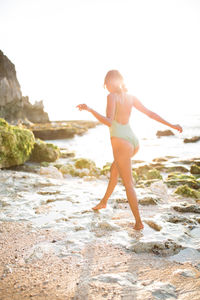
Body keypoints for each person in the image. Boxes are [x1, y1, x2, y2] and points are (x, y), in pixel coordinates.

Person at [76, 70, 182, 230]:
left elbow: (109, 121)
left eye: (109, 82)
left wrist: (90, 109)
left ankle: (138, 222)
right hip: (133, 141)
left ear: (112, 83)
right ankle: (104, 202)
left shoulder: (111, 97)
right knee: (114, 169)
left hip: (121, 141)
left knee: (128, 183)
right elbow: (151, 114)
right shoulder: (131, 97)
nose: (108, 86)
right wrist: (172, 125)